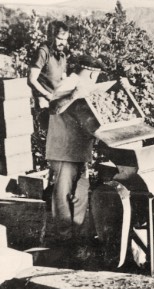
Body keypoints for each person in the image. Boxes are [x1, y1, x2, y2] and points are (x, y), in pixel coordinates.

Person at [45, 55, 104, 246]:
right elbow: (53, 108)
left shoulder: (82, 84)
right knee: (63, 194)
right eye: (97, 75)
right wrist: (72, 96)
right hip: (63, 150)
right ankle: (64, 237)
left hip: (79, 150)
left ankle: (76, 235)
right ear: (92, 72)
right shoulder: (69, 83)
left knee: (80, 193)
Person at [28, 21, 69, 130]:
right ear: (50, 36)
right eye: (60, 39)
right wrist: (46, 95)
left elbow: (63, 77)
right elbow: (32, 79)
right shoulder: (43, 52)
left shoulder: (62, 55)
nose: (63, 43)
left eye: (65, 39)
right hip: (44, 101)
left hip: (56, 100)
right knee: (45, 134)